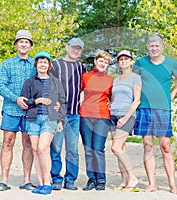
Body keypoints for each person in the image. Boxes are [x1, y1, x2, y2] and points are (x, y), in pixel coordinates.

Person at [133, 33, 177, 194]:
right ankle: (151, 183)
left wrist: (172, 95)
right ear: (147, 47)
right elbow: (134, 82)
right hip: (144, 108)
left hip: (163, 109)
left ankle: (172, 184)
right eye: (151, 46)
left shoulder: (171, 63)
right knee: (148, 145)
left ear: (162, 47)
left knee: (165, 146)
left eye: (157, 46)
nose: (154, 48)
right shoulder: (140, 63)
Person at [0, 30, 36, 191]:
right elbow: (0, 86)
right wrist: (16, 98)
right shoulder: (7, 64)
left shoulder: (35, 65)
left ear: (30, 45)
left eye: (27, 42)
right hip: (11, 109)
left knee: (28, 144)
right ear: (16, 44)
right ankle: (4, 180)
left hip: (29, 111)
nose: (24, 44)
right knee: (7, 142)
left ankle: (26, 180)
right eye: (21, 41)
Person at [20, 52, 66, 195]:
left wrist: (60, 119)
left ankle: (47, 182)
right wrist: (38, 101)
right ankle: (40, 184)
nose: (42, 64)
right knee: (35, 149)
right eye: (40, 62)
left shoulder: (56, 82)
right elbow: (25, 101)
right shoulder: (29, 82)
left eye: (45, 62)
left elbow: (63, 101)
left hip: (49, 118)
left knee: (42, 149)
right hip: (33, 119)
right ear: (36, 65)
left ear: (49, 65)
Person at [49, 38, 86, 190]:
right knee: (56, 147)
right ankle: (56, 178)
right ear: (67, 47)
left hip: (74, 114)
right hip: (58, 114)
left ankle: (70, 179)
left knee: (72, 149)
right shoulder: (56, 65)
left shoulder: (81, 67)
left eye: (79, 49)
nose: (75, 51)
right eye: (73, 47)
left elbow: (84, 88)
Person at [80, 51, 113, 191]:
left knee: (98, 149)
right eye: (101, 61)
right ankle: (91, 179)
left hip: (102, 118)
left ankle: (101, 180)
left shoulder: (110, 80)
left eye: (105, 62)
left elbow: (113, 99)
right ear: (95, 61)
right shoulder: (85, 77)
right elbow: (76, 93)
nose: (103, 64)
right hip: (85, 115)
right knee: (88, 149)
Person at [110, 50, 141, 191]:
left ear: (131, 61)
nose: (123, 61)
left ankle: (133, 177)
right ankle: (124, 181)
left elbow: (137, 101)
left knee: (115, 147)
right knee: (120, 149)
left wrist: (125, 117)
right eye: (121, 59)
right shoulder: (116, 79)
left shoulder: (135, 78)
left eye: (126, 59)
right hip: (113, 116)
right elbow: (113, 98)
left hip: (127, 116)